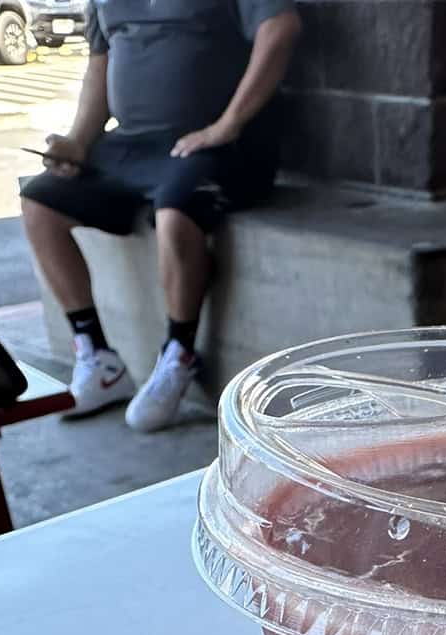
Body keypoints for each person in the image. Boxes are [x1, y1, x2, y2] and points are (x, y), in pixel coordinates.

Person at [21, 0, 301, 429]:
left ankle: (179, 355)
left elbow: (281, 28)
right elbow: (102, 63)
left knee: (174, 212)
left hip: (217, 144)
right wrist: (78, 141)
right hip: (131, 144)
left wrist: (227, 124)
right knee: (41, 201)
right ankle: (97, 358)